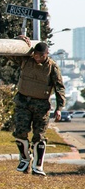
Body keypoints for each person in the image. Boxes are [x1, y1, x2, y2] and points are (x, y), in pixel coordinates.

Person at [12, 35, 65, 176]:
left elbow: (59, 88)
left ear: (46, 54)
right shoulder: (26, 61)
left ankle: (38, 166)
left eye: (41, 55)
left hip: (41, 105)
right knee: (20, 132)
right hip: (23, 102)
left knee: (39, 135)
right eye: (35, 55)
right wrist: (18, 40)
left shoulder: (52, 67)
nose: (37, 58)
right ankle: (24, 158)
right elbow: (10, 54)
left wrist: (59, 108)